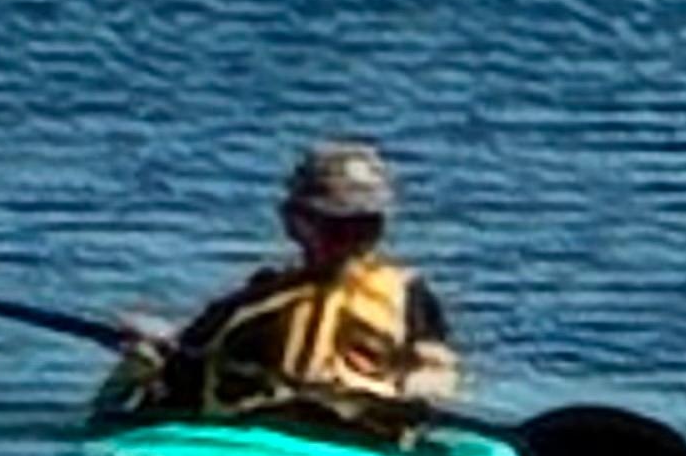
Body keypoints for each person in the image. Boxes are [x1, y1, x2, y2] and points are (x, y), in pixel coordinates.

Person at [102, 141, 466, 439]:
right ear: (295, 222)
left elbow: (437, 363)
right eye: (335, 228)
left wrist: (425, 386)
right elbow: (183, 361)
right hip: (254, 443)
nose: (352, 243)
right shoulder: (253, 304)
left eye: (366, 227)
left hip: (364, 445)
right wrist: (149, 354)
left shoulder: (407, 296)